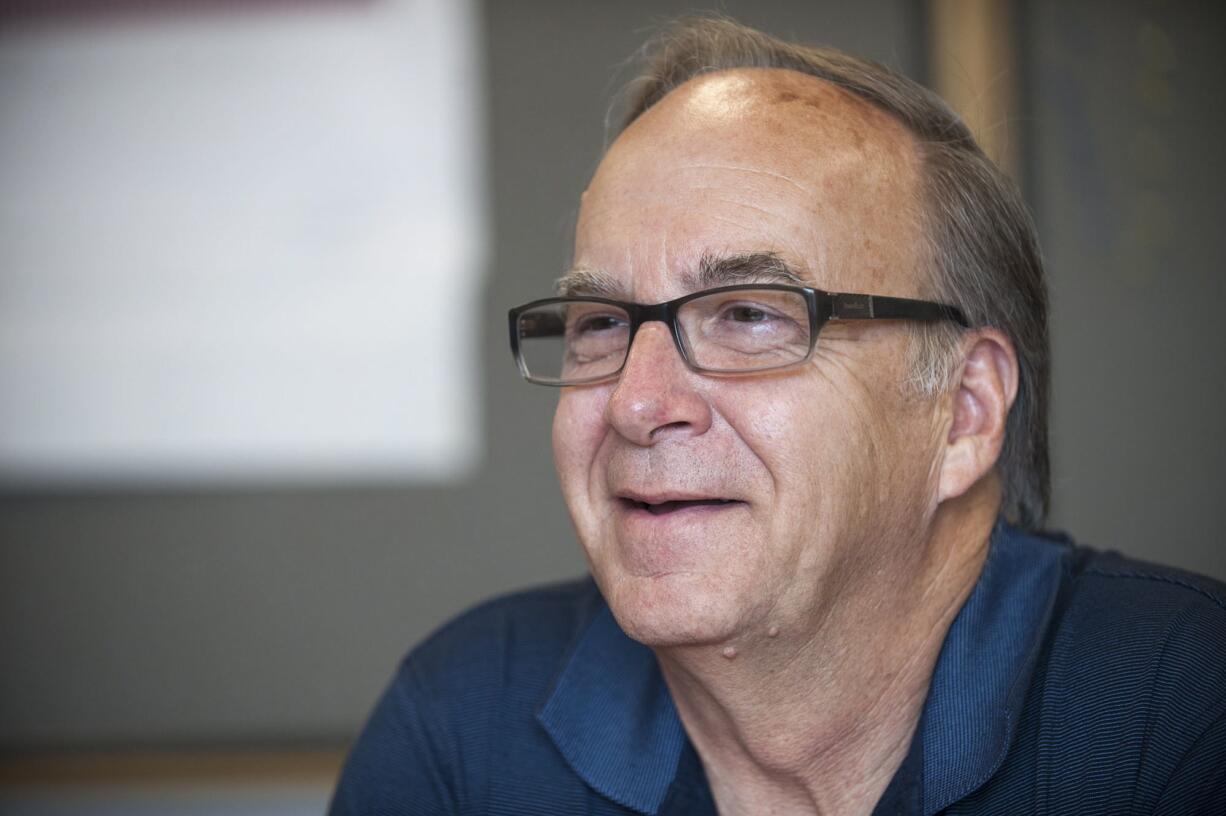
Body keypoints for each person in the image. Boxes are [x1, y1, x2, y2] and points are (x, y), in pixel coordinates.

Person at [329, 17, 1226, 815]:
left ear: (964, 411)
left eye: (750, 315)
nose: (638, 405)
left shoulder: (1183, 711)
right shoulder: (466, 725)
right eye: (601, 324)